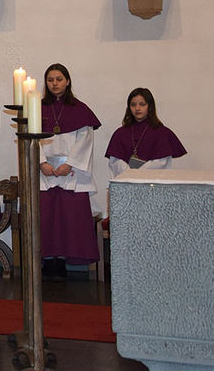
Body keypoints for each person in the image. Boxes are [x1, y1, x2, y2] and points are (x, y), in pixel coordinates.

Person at [38, 64, 101, 280]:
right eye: (50, 79)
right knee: (46, 219)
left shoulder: (80, 110)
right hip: (44, 173)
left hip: (71, 173)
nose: (54, 83)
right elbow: (30, 141)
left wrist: (70, 164)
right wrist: (41, 163)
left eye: (59, 79)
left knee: (69, 219)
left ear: (67, 81)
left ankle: (64, 260)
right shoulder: (36, 108)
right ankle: (47, 261)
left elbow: (85, 140)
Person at [105, 88, 187, 177]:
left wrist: (138, 174)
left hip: (153, 185)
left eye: (142, 104)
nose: (137, 108)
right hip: (126, 182)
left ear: (150, 106)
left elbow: (161, 162)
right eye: (133, 105)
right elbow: (115, 161)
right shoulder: (120, 133)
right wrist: (129, 173)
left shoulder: (162, 133)